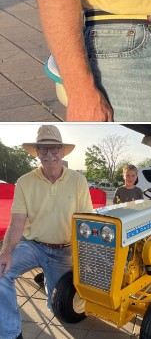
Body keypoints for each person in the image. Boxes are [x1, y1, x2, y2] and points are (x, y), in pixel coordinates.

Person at [0, 125, 92, 339]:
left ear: (62, 151)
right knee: (1, 272)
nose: (49, 154)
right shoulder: (24, 182)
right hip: (33, 245)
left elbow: (86, 223)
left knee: (57, 307)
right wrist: (5, 252)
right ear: (37, 153)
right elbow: (17, 224)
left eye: (54, 149)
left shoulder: (78, 180)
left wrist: (86, 254)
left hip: (64, 250)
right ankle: (10, 333)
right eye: (43, 149)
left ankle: (51, 287)